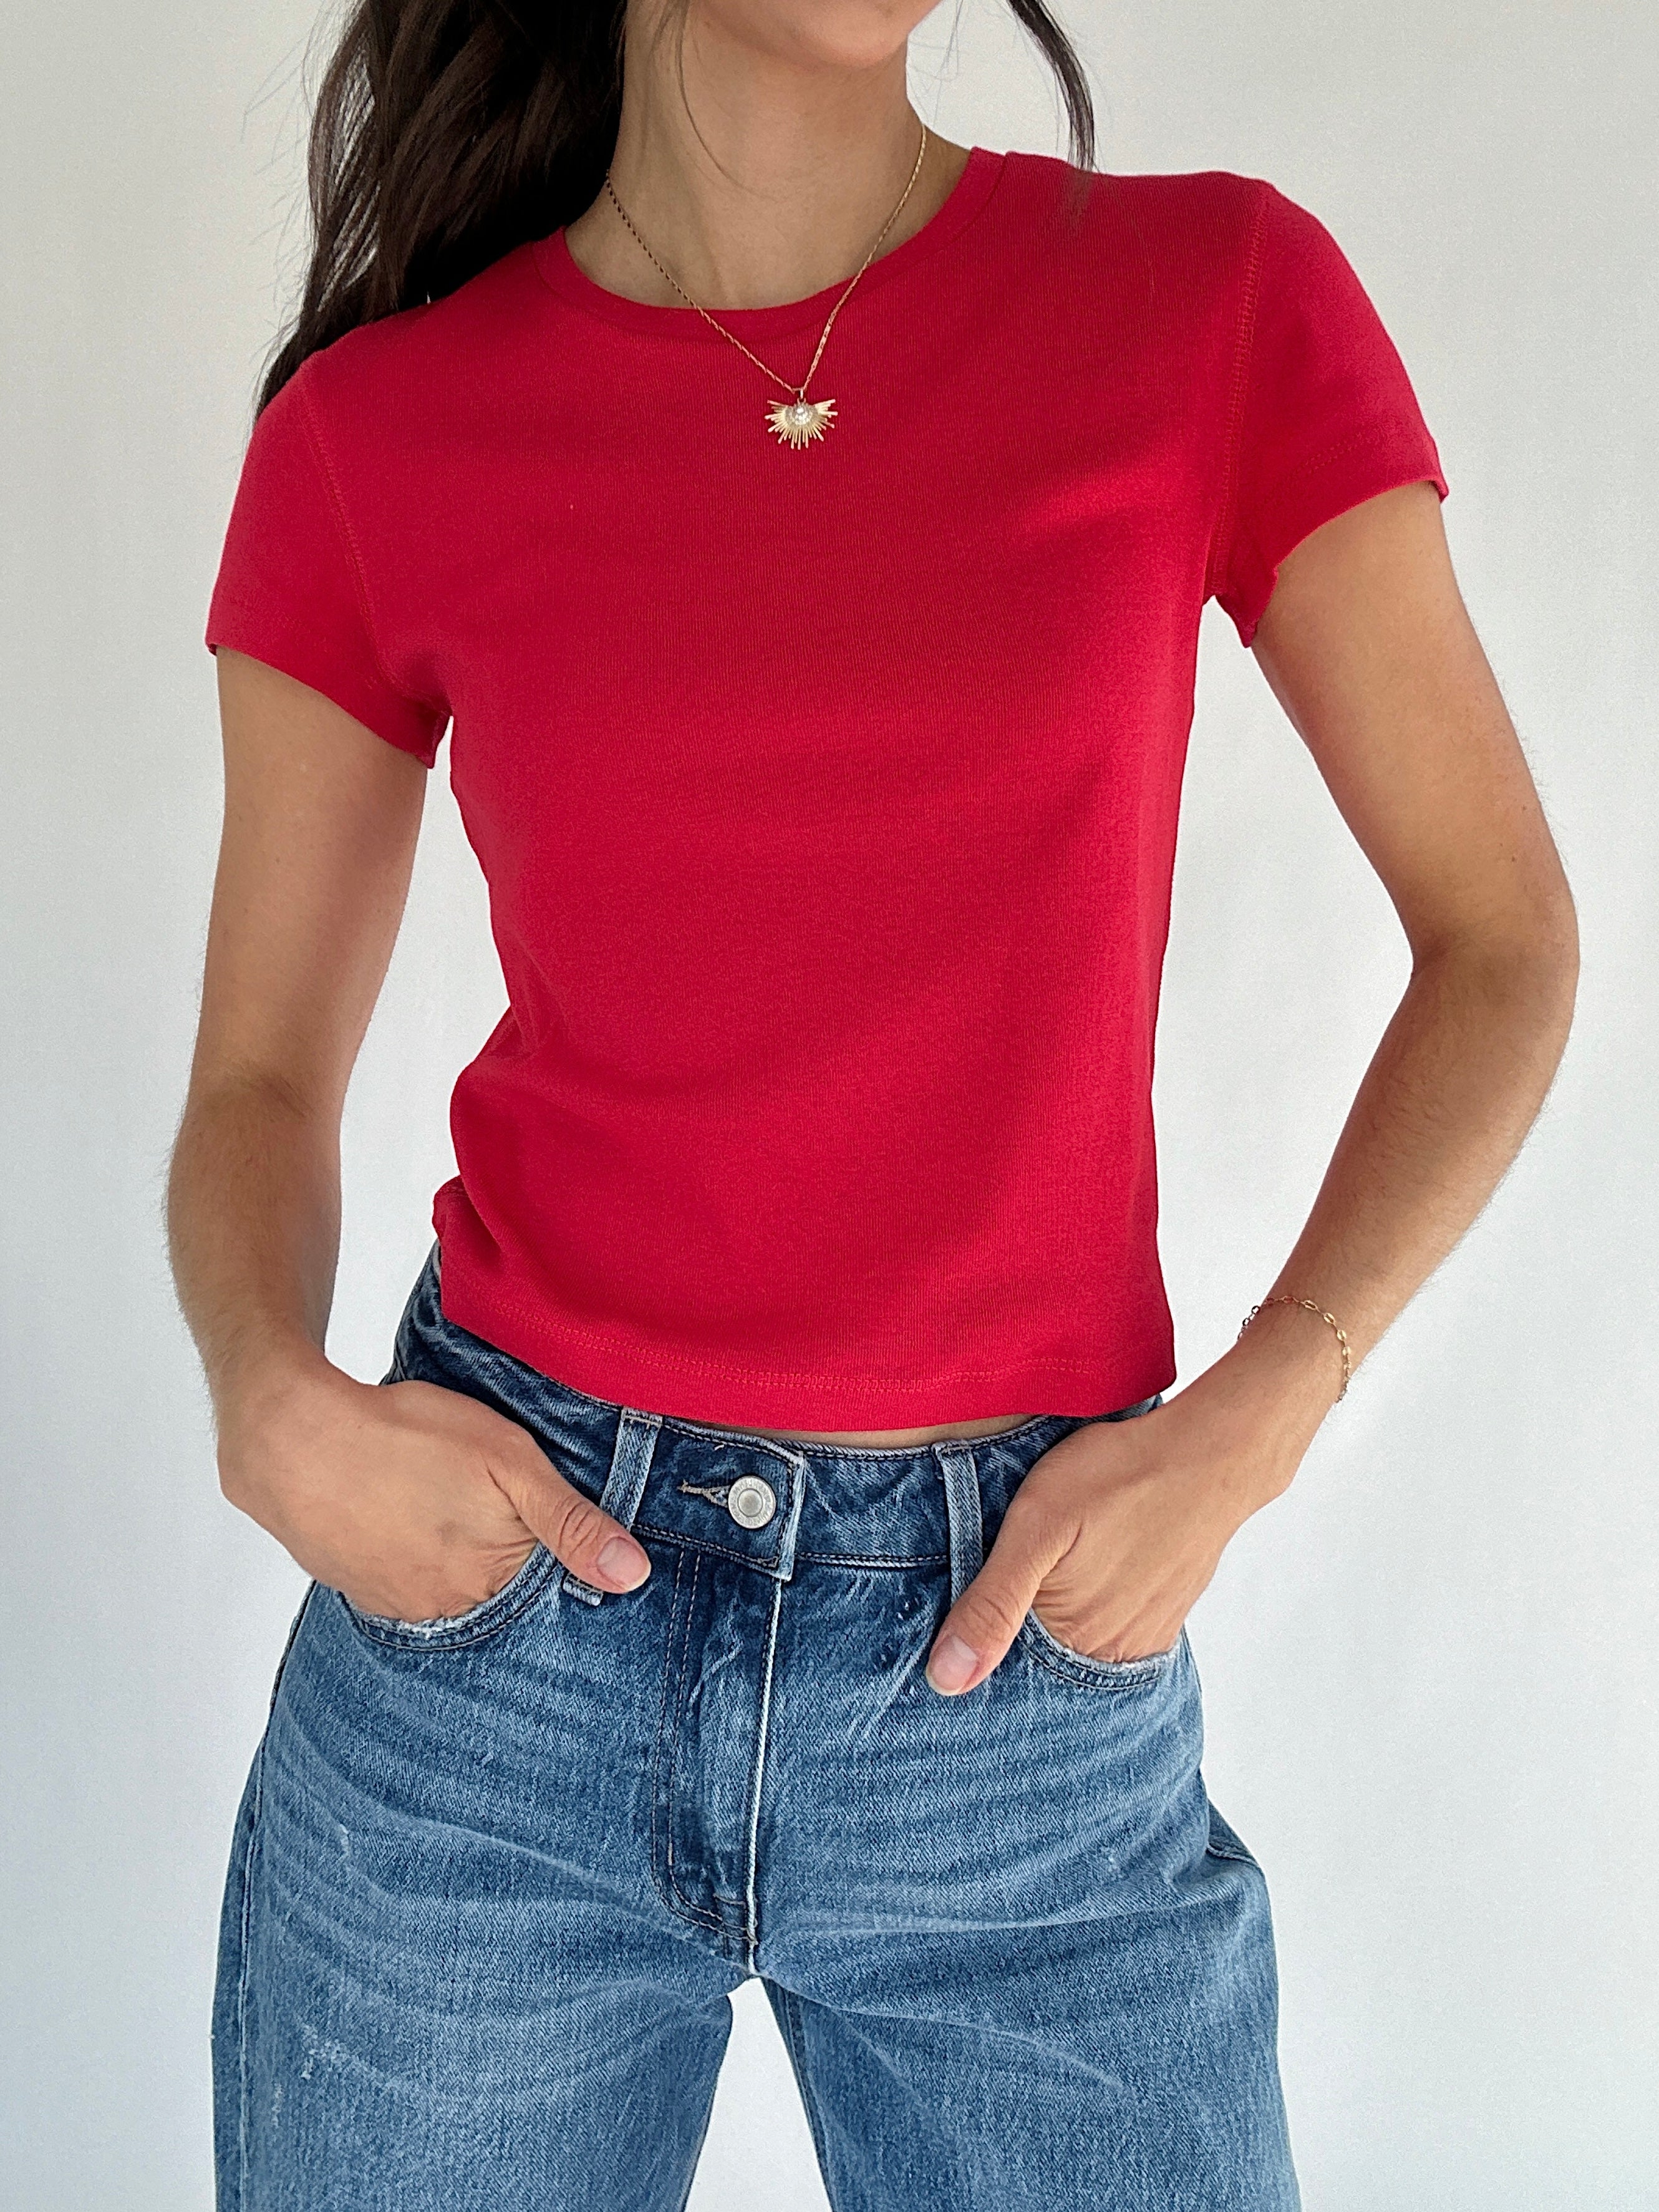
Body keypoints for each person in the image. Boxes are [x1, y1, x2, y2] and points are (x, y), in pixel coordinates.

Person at [168, 0, 1578, 2204]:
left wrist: (1259, 1415)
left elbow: (1501, 937)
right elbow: (258, 1072)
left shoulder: (1209, 300)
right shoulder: (381, 430)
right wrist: (264, 1388)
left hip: (1014, 1670)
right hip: (499, 1650)